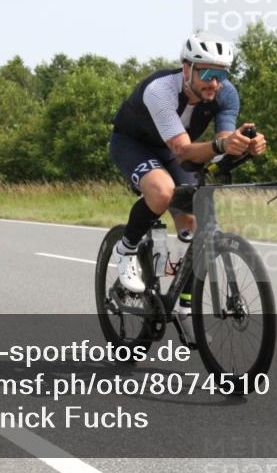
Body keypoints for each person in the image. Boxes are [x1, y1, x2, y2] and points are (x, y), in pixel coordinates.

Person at [109, 33, 266, 342]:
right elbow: (184, 150)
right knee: (163, 191)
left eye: (221, 74)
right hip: (134, 144)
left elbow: (220, 147)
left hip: (176, 149)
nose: (214, 82)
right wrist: (222, 143)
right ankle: (125, 250)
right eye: (207, 73)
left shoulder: (226, 95)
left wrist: (245, 146)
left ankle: (184, 307)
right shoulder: (160, 91)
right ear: (186, 70)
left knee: (193, 222)